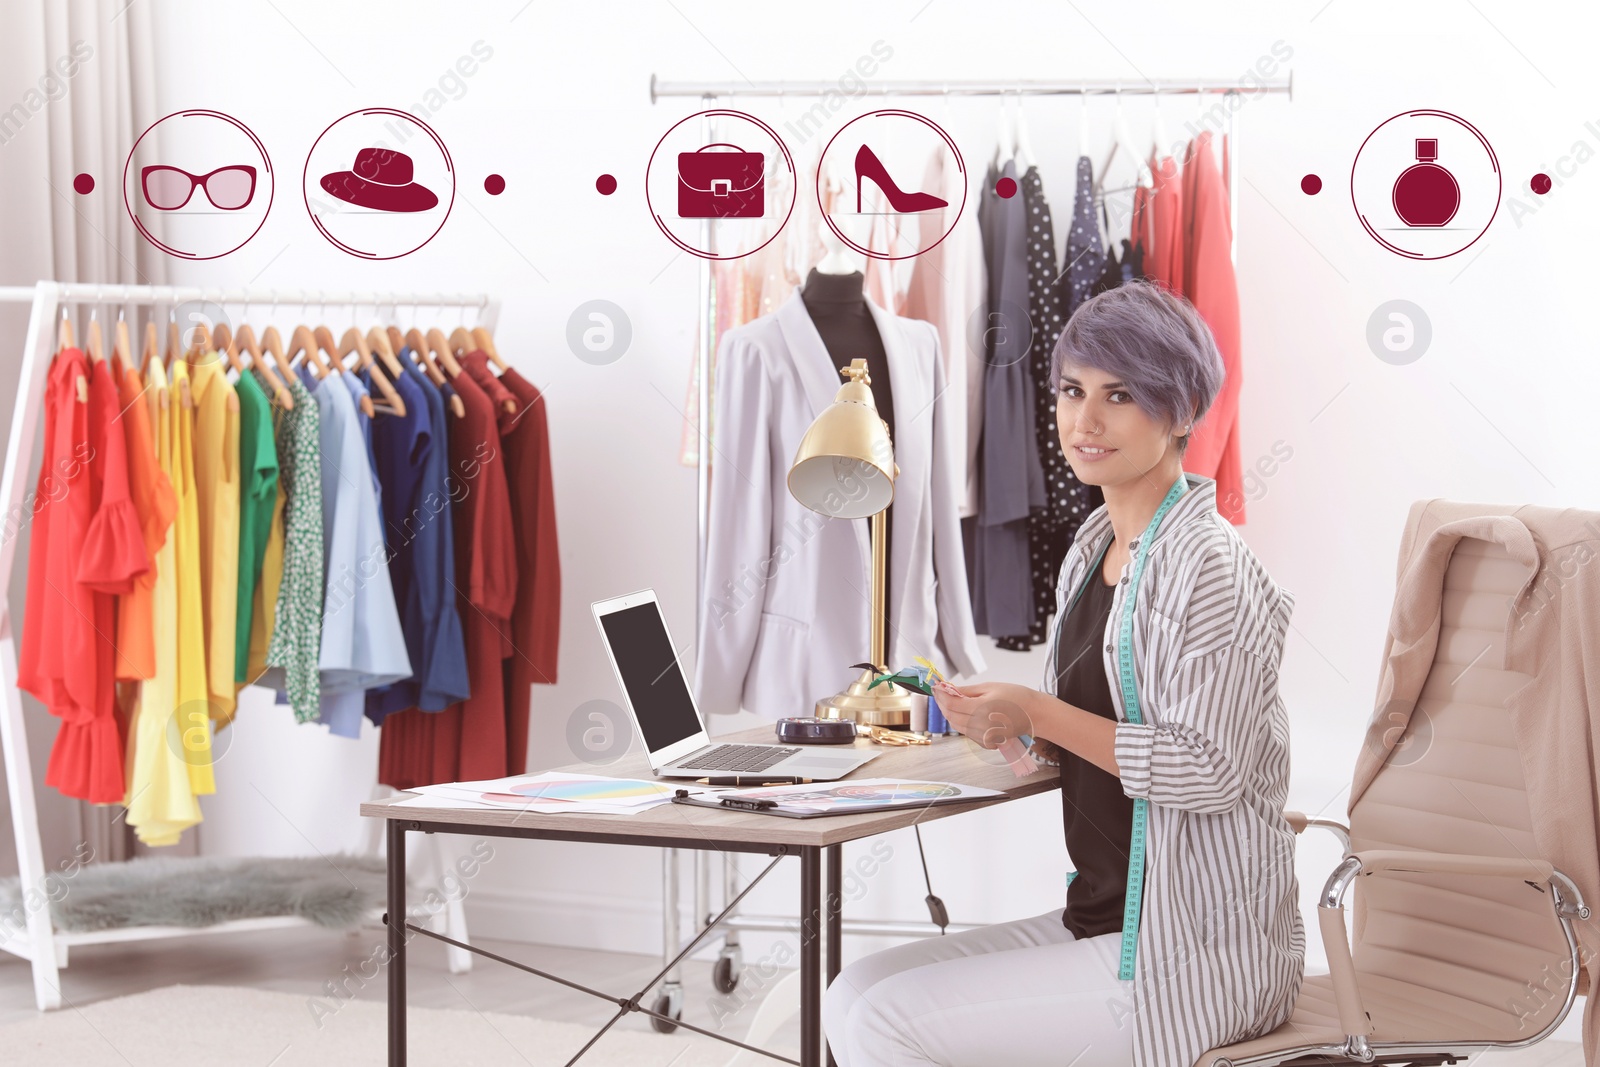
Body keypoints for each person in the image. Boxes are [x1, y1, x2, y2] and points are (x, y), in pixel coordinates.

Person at [822, 281, 1304, 1067]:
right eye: (1073, 391)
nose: (1085, 421)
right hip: (1106, 916)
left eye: (1120, 396)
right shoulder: (1089, 549)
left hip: (1192, 951)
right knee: (852, 993)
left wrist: (1038, 710)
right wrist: (1008, 731)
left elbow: (1210, 769)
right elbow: (1079, 752)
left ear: (1179, 412)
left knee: (888, 1024)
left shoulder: (1208, 566)